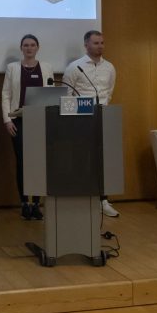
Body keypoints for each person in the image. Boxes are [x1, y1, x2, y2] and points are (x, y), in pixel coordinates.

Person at [63, 29, 119, 217]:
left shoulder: (110, 67)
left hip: (103, 117)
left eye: (102, 42)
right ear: (86, 45)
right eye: (96, 43)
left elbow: (109, 92)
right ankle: (82, 199)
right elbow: (66, 98)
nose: (100, 46)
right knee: (81, 159)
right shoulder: (74, 67)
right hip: (81, 121)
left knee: (103, 161)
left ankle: (103, 200)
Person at [1, 34, 53, 220]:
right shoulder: (12, 68)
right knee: (23, 162)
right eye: (25, 45)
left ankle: (36, 204)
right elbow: (6, 94)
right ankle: (24, 202)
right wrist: (7, 120)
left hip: (40, 120)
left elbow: (52, 95)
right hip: (18, 121)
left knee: (38, 163)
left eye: (32, 45)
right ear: (21, 48)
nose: (29, 48)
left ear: (37, 47)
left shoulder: (46, 68)